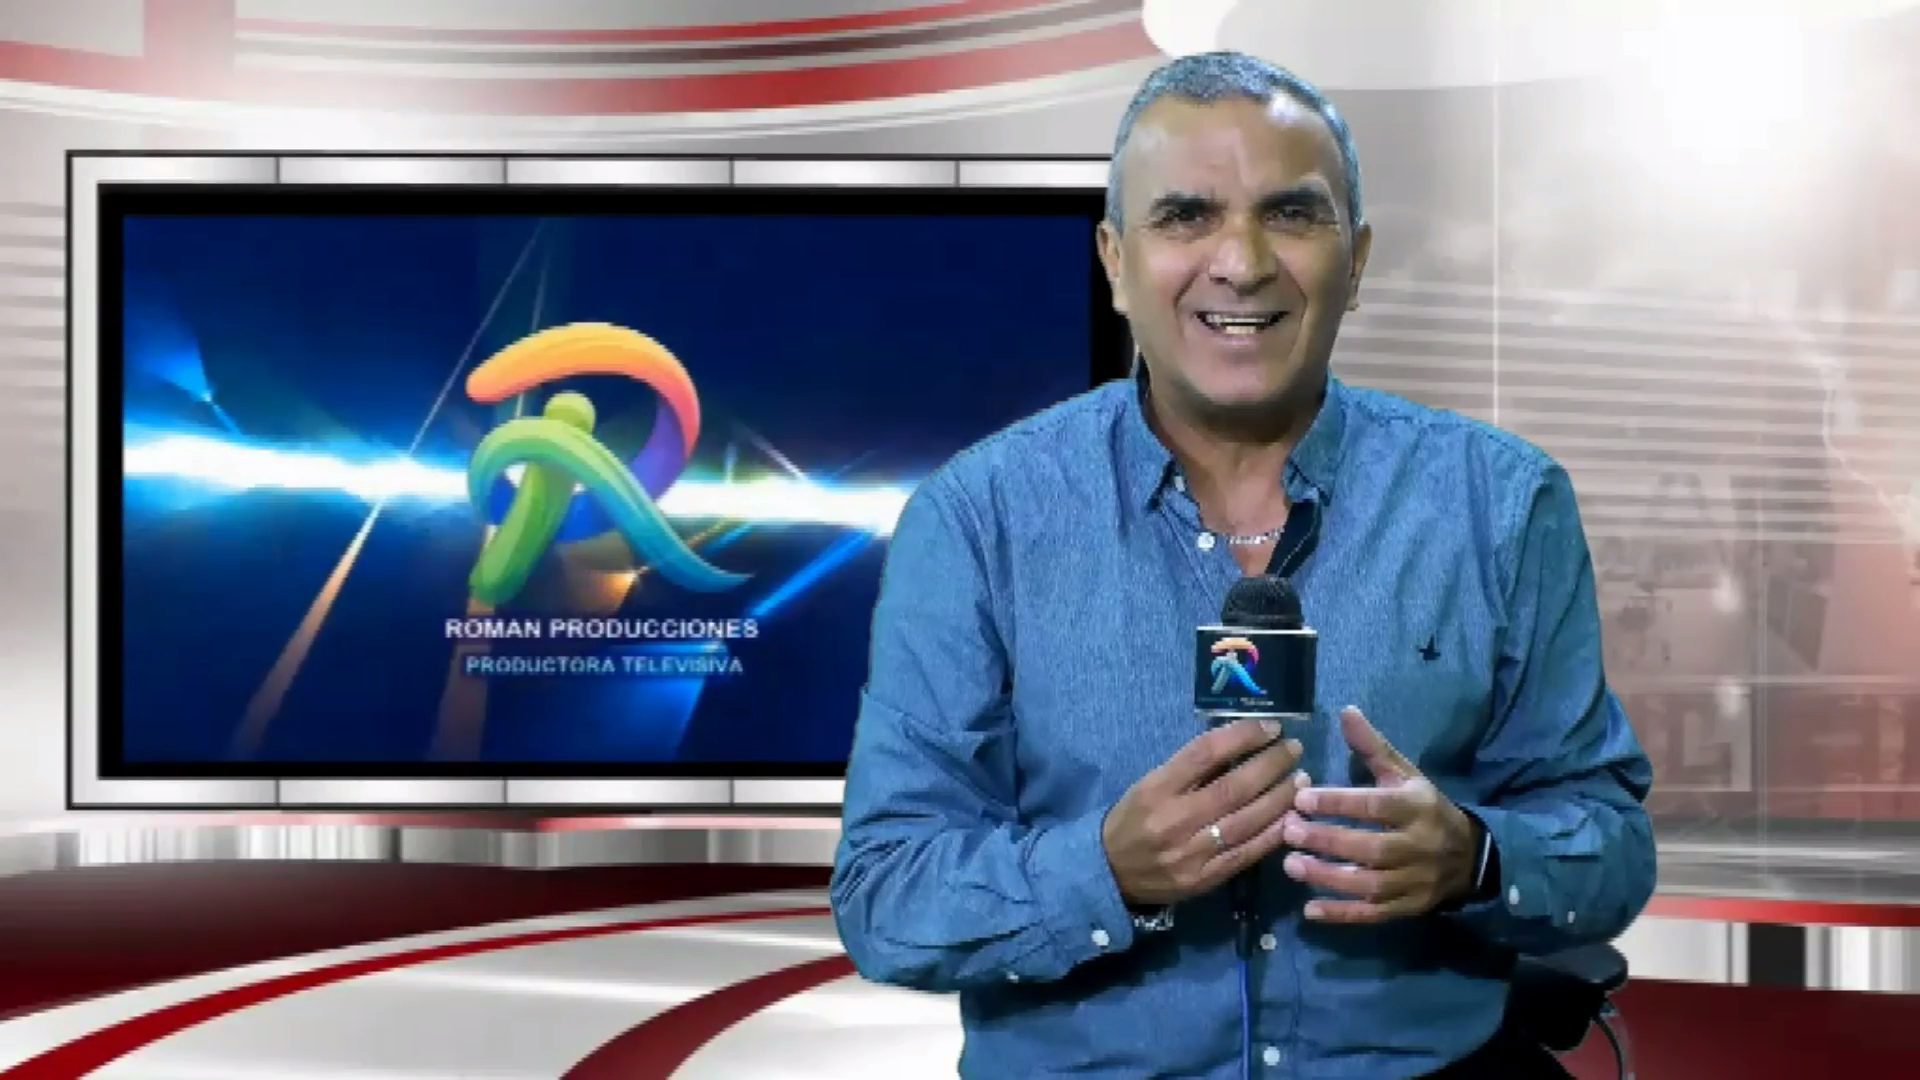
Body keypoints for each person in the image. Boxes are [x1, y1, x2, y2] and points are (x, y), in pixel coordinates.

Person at [830, 50, 1656, 1079]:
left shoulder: (1502, 504)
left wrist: (1476, 859)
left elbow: (1611, 845)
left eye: (1291, 214)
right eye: (1186, 216)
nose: (1242, 261)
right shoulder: (975, 520)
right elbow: (886, 896)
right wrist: (1106, 871)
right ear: (1115, 262)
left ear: (1356, 260)